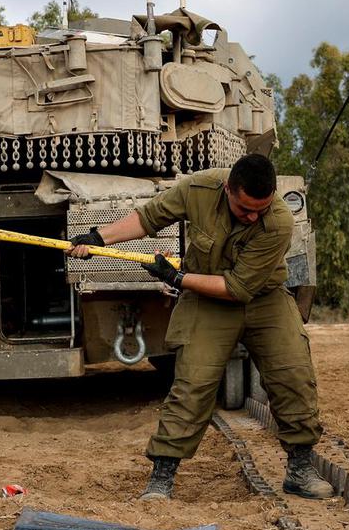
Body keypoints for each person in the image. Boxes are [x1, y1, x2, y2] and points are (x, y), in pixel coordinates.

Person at [67, 154, 333, 501]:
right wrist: (99, 238)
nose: (253, 217)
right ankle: (162, 477)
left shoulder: (279, 220)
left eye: (260, 210)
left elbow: (238, 288)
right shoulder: (199, 188)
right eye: (245, 209)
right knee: (193, 382)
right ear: (227, 190)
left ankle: (299, 468)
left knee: (294, 375)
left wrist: (177, 277)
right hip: (206, 302)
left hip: (262, 298)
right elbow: (149, 218)